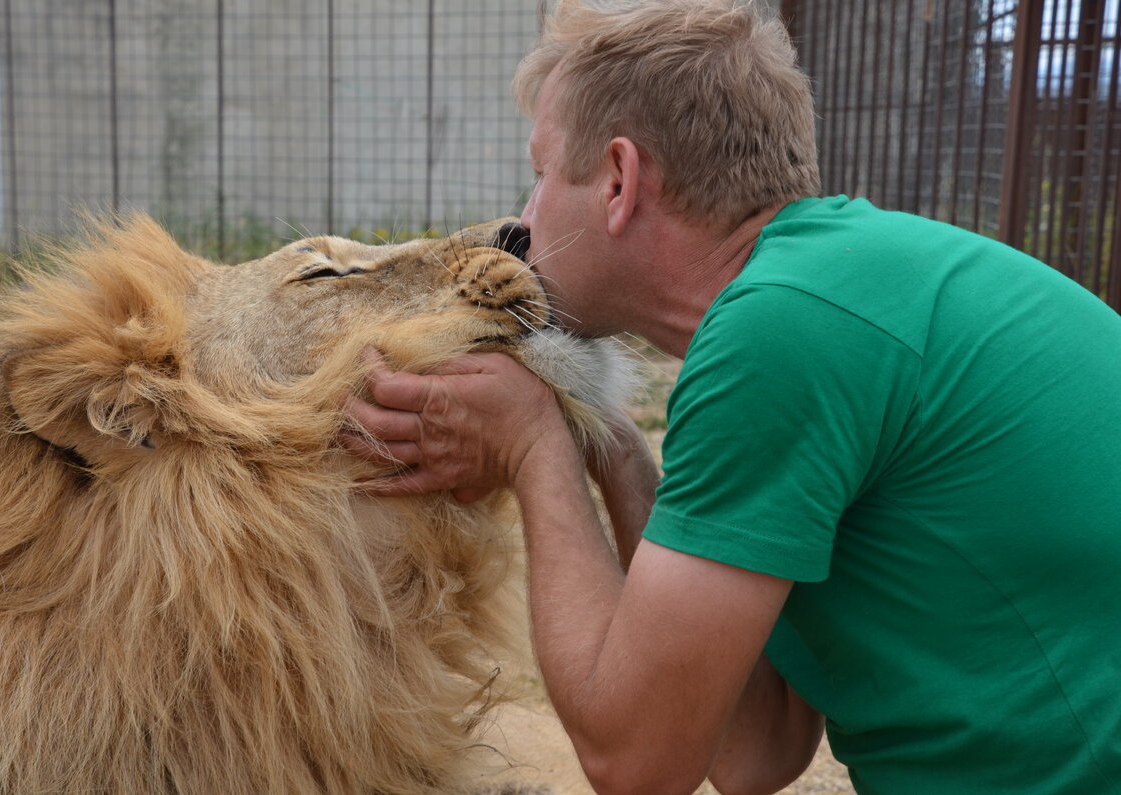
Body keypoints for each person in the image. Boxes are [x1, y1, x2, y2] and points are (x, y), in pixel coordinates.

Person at [344, 1, 1121, 793]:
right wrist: (605, 437)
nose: (525, 218)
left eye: (542, 173)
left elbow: (638, 762)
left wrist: (533, 444)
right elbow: (755, 749)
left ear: (619, 180)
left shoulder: (778, 334)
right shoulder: (825, 286)